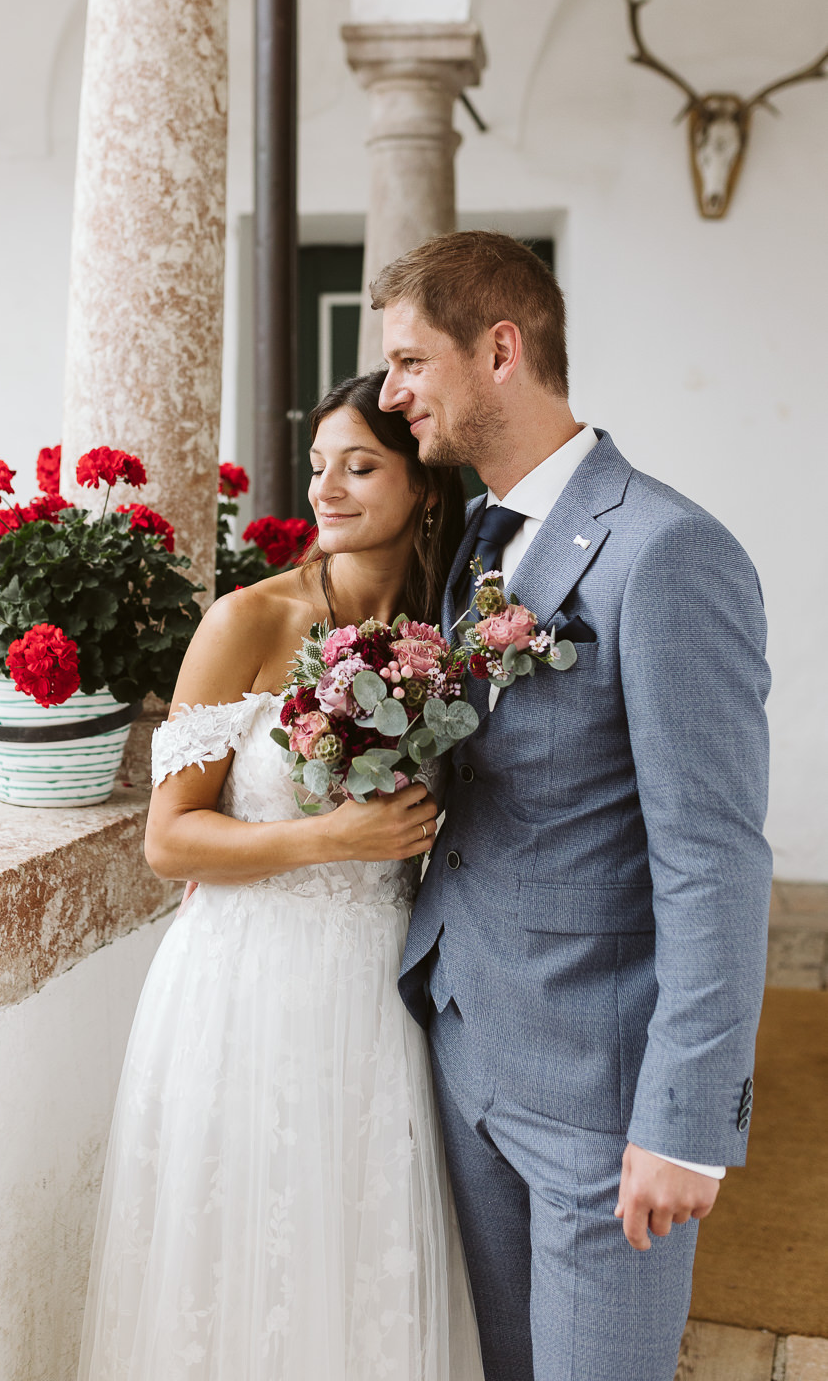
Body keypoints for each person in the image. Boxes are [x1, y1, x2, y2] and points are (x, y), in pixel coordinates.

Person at [374, 230, 772, 1381]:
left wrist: (685, 1121)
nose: (391, 394)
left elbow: (711, 858)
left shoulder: (669, 552)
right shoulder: (480, 537)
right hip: (468, 1042)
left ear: (499, 348)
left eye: (409, 361)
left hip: (600, 1100)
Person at [76, 372, 482, 1381]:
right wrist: (327, 840)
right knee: (239, 1256)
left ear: (424, 487)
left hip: (380, 994)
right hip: (241, 986)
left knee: (358, 1247)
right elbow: (168, 841)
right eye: (316, 467)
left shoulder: (450, 638)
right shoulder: (247, 622)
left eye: (359, 466)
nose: (326, 490)